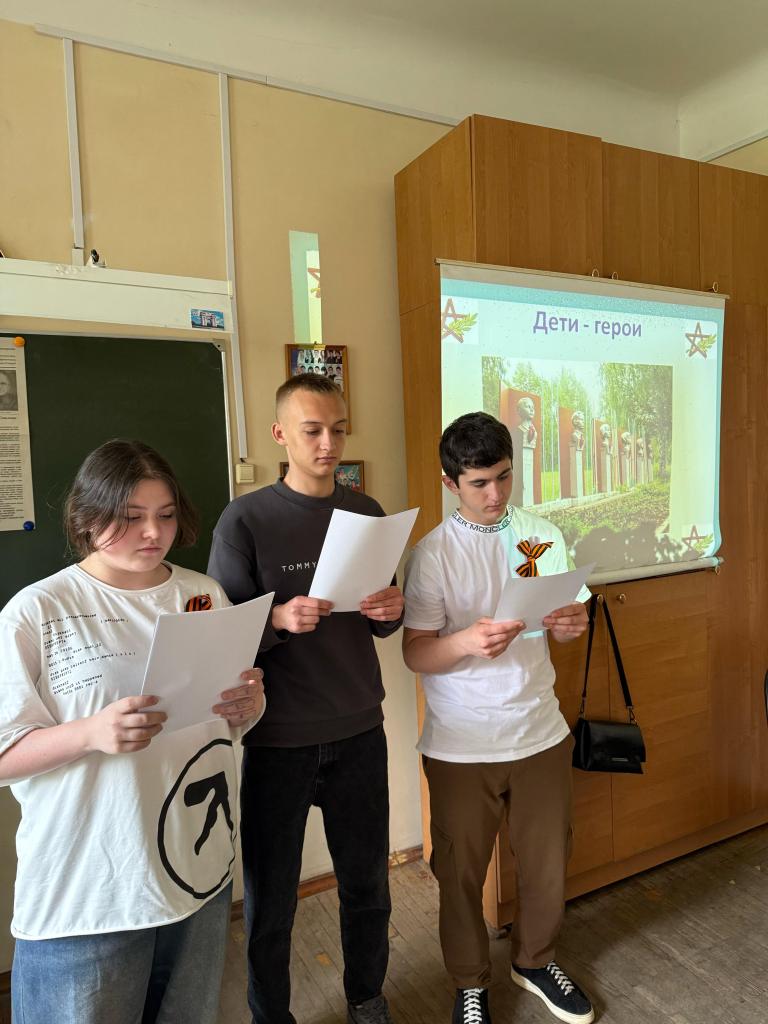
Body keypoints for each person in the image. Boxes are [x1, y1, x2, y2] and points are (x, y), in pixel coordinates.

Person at [0, 439, 265, 1024]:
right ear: (86, 516)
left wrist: (250, 704)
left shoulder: (202, 594)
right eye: (130, 517)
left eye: (165, 515)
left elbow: (225, 722)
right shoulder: (37, 611)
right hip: (92, 887)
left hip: (194, 868)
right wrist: (90, 734)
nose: (153, 533)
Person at [207, 373, 404, 1024]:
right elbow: (221, 637)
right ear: (280, 435)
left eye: (338, 430)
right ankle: (272, 1015)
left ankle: (366, 999)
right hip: (278, 739)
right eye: (313, 430)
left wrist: (391, 610)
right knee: (271, 901)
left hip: (359, 730)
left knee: (367, 886)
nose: (329, 444)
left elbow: (383, 621)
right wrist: (276, 620)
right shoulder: (245, 521)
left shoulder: (366, 512)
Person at [402, 412, 594, 1024]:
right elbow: (415, 652)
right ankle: (469, 983)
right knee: (460, 873)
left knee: (547, 864)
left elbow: (567, 619)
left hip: (540, 730)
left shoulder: (542, 534)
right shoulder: (433, 554)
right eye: (479, 483)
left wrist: (572, 624)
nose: (495, 494)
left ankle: (534, 961)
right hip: (461, 743)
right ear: (450, 482)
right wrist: (464, 643)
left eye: (505, 477)